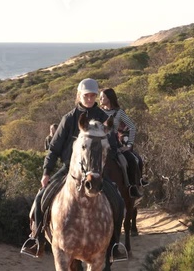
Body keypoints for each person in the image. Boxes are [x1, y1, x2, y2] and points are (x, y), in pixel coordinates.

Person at [21, 78, 125, 260]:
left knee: (118, 200)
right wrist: (46, 172)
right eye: (87, 95)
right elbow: (54, 148)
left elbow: (113, 144)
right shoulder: (69, 119)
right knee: (40, 199)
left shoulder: (103, 117)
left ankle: (115, 244)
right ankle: (36, 239)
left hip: (97, 171)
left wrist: (113, 149)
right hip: (70, 169)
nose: (90, 98)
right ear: (80, 95)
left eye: (93, 95)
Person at [99, 88, 148, 198]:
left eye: (103, 97)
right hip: (99, 144)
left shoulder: (119, 112)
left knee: (132, 159)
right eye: (100, 97)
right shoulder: (97, 112)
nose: (100, 99)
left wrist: (129, 145)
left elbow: (132, 127)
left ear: (110, 98)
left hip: (114, 144)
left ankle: (133, 187)